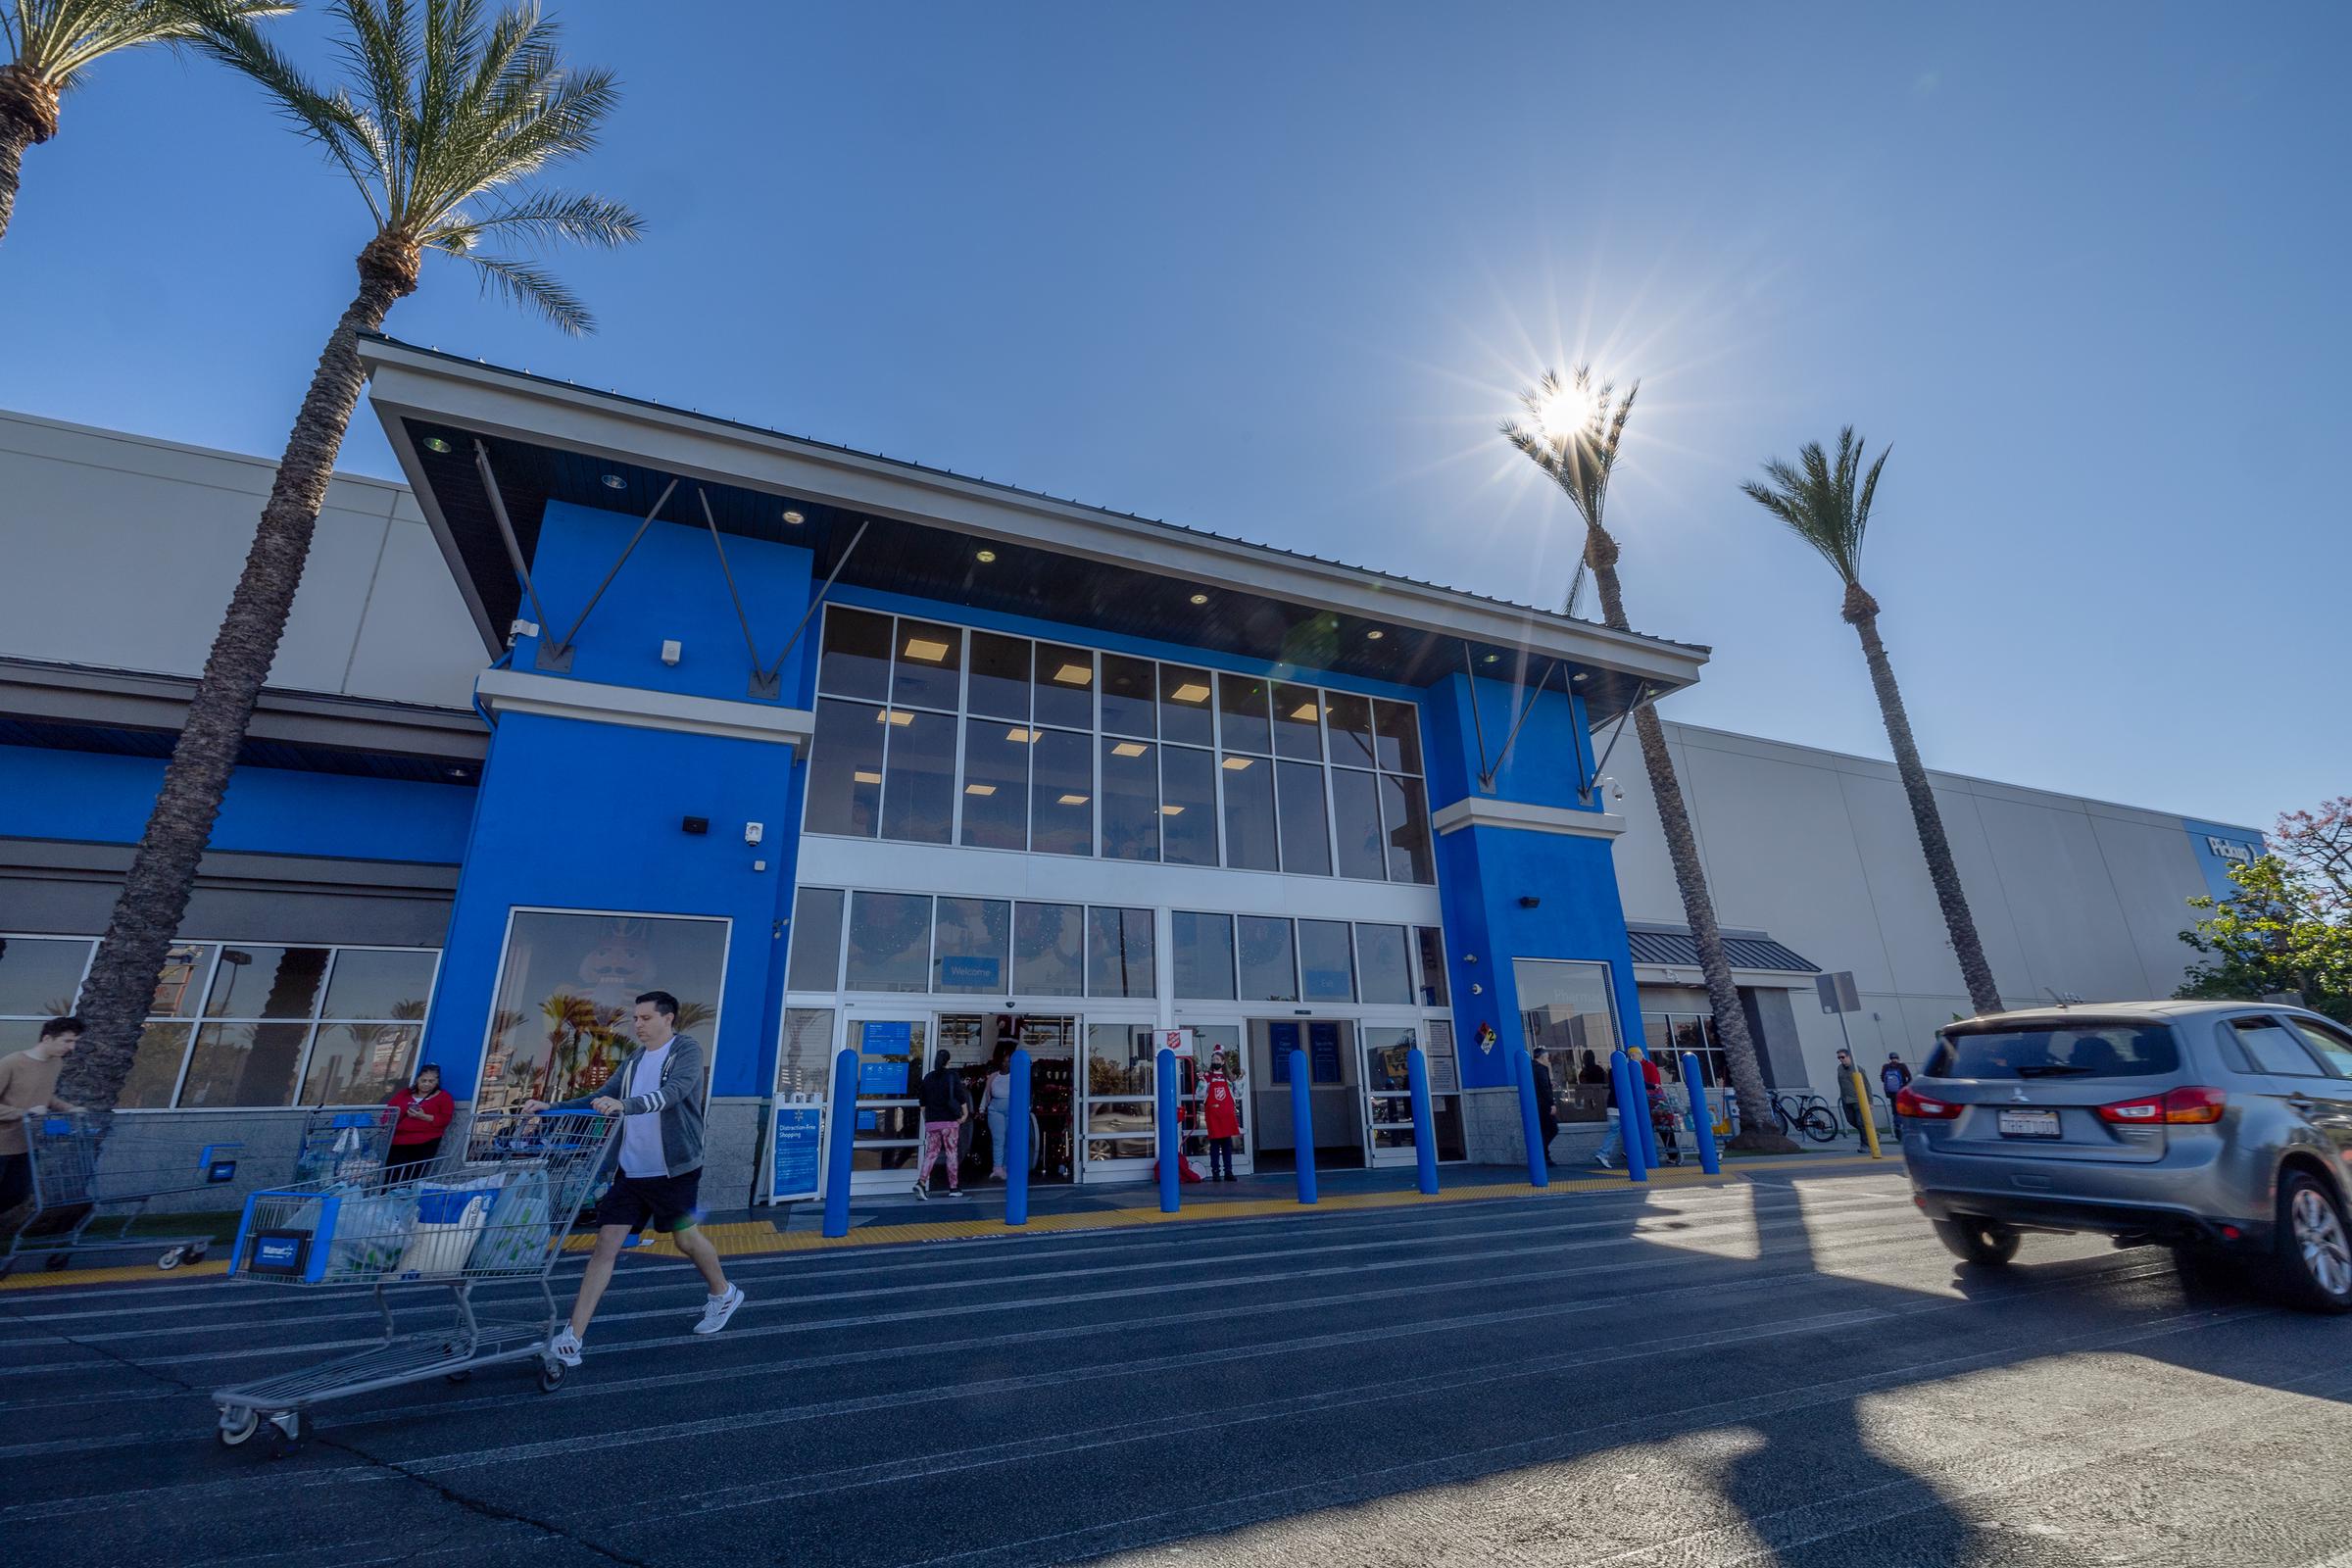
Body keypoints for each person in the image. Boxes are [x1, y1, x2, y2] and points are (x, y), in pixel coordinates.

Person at [523, 990, 743, 1367]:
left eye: (644, 1018)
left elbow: (671, 1095)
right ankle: (572, 1337)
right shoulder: (636, 1058)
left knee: (686, 1239)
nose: (637, 1025)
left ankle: (723, 1293)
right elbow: (603, 1095)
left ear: (667, 1018)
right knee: (605, 1246)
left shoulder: (686, 1052)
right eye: (636, 1019)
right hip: (631, 1170)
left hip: (674, 1169)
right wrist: (552, 1108)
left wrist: (625, 1105)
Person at [0, 1017, 85, 1221]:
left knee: (16, 1195)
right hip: (1, 1145)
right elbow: (31, 1107)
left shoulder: (55, 1063)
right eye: (67, 1041)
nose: (71, 1047)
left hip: (27, 1143)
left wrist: (70, 1108)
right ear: (47, 1038)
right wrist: (24, 1112)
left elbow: (44, 1096)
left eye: (75, 1042)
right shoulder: (11, 1063)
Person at [913, 1048, 969, 1200]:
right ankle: (953, 1187)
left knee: (931, 1153)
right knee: (951, 1153)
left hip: (933, 1122)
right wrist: (965, 1114)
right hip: (950, 1122)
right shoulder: (952, 1076)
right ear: (948, 1062)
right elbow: (960, 1096)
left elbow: (922, 1104)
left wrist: (928, 1120)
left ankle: (922, 1182)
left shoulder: (928, 1078)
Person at [384, 1062, 455, 1179]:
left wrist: (423, 1116)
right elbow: (390, 1111)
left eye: (431, 1081)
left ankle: (407, 1196)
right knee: (392, 1175)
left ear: (437, 1082)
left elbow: (445, 1119)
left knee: (414, 1175)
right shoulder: (405, 1094)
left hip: (425, 1142)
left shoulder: (444, 1097)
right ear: (417, 1080)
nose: (426, 1084)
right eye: (423, 1080)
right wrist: (386, 1125)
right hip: (398, 1141)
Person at [1200, 1048, 1242, 1181]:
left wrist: (1239, 1079)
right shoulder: (1207, 1077)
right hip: (1213, 1116)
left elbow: (1238, 1093)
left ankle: (1228, 1172)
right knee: (1214, 1145)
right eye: (1213, 1060)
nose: (1215, 1062)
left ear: (1223, 1062)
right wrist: (1201, 1082)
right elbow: (1200, 1094)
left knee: (1227, 1145)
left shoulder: (1228, 1078)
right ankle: (1216, 1173)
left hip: (1227, 1115)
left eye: (1217, 1060)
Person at [984, 1049, 1015, 1182]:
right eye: (1004, 1061)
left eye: (1009, 1062)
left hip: (1012, 1110)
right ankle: (997, 1167)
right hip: (995, 1109)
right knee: (998, 1139)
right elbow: (986, 1093)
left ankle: (1006, 1167)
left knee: (1009, 1139)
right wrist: (982, 1108)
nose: (1006, 1064)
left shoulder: (1016, 1076)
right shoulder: (993, 1077)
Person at [1531, 1049, 1560, 1159]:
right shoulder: (1541, 1069)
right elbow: (1544, 1088)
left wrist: (1549, 1082)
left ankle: (1544, 1154)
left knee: (1543, 1130)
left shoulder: (1530, 1067)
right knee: (1552, 1129)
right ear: (1542, 1057)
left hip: (1536, 1105)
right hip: (1544, 1105)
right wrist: (1551, 1104)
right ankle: (1542, 1152)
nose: (1548, 1061)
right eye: (1547, 1058)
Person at [1835, 1047, 1864, 1136]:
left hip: (1857, 1100)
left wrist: (1870, 1102)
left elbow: (1866, 1086)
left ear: (1848, 1057)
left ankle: (1865, 1145)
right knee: (1851, 1121)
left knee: (1861, 1123)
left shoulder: (1857, 1069)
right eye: (1839, 1058)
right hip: (1845, 1100)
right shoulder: (1840, 1068)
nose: (1840, 1059)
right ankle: (1872, 1134)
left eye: (1842, 1057)